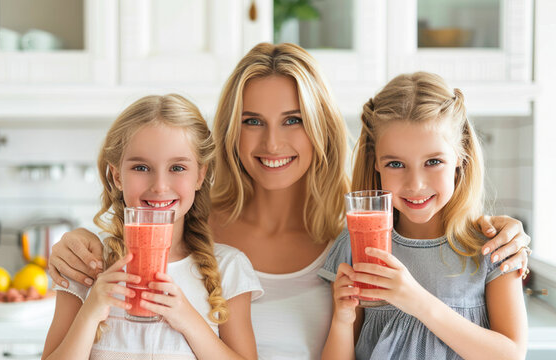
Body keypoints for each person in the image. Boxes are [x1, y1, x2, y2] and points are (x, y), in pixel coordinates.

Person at [47, 43, 531, 359]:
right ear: (229, 131)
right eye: (253, 121)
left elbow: (430, 225)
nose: (272, 144)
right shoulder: (186, 225)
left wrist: (499, 230)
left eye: (294, 119)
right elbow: (132, 222)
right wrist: (77, 239)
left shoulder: (359, 235)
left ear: (319, 125)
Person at [320, 72, 527, 359]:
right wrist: (342, 321)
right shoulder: (358, 245)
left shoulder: (492, 248)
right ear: (375, 164)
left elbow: (511, 354)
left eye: (433, 162)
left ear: (460, 158)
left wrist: (414, 299)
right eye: (395, 163)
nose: (415, 184)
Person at [41, 94, 263, 360]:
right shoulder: (88, 265)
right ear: (116, 175)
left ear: (200, 175)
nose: (159, 185)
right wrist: (90, 312)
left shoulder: (227, 268)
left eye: (178, 167)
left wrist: (188, 319)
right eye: (141, 167)